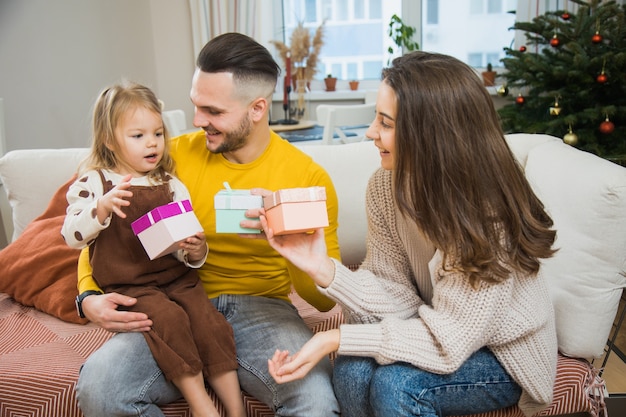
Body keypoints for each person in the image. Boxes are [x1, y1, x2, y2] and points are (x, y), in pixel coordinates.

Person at [264, 51, 558, 417]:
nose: (371, 132)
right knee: (353, 370)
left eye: (385, 123)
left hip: (501, 353)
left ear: (431, 135)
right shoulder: (386, 185)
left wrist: (336, 336)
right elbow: (397, 296)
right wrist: (325, 270)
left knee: (397, 385)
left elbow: (451, 339)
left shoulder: (486, 212)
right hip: (434, 324)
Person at [74, 33, 341, 417]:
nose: (198, 121)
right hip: (170, 302)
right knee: (100, 388)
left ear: (257, 108)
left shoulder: (307, 178)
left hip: (263, 308)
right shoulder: (170, 159)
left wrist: (297, 248)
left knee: (316, 402)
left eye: (213, 112)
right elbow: (103, 236)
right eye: (196, 106)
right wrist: (87, 298)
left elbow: (323, 300)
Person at [62, 81, 245, 417]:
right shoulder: (94, 182)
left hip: (178, 279)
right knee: (171, 321)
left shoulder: (170, 183)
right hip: (133, 286)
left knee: (210, 322)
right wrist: (100, 208)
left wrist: (195, 249)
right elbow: (71, 236)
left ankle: (236, 410)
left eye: (158, 134)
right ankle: (202, 405)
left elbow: (186, 251)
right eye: (138, 136)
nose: (152, 143)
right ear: (109, 141)